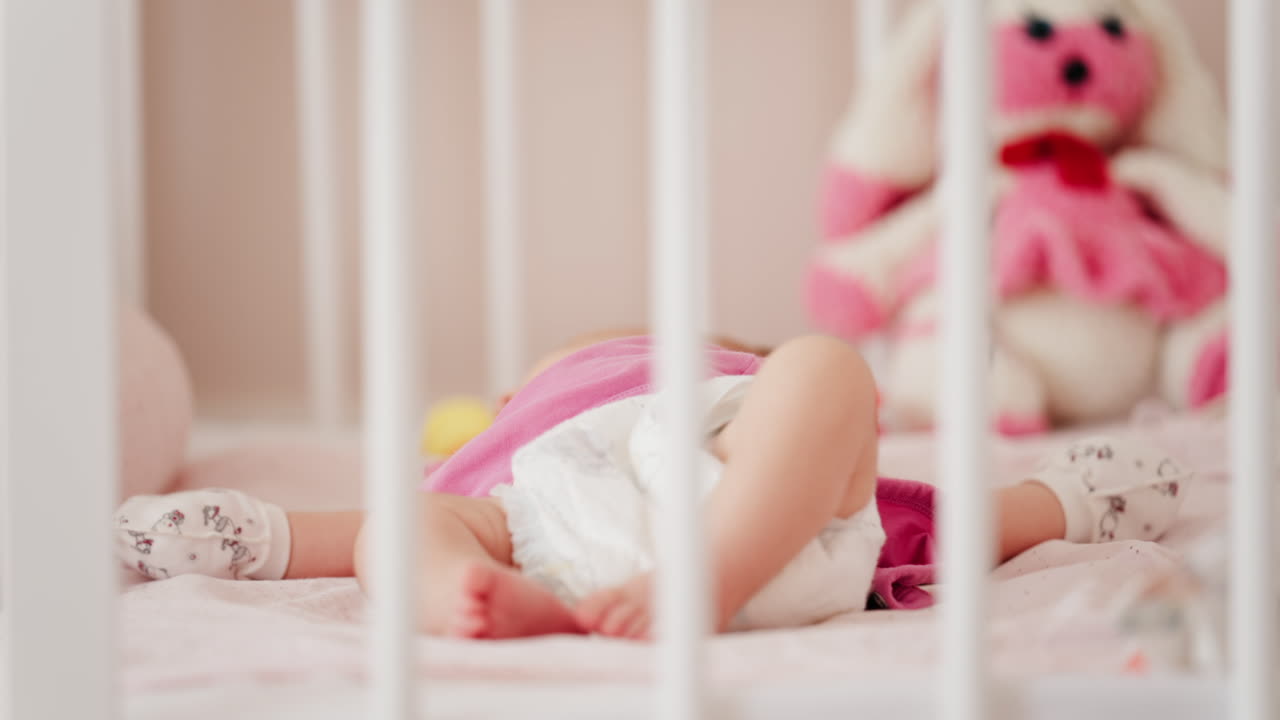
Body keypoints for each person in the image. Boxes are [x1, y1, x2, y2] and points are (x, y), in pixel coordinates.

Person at [115, 334, 1188, 640]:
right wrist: (245, 536)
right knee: (404, 519)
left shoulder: (730, 388)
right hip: (550, 536)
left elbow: (935, 517)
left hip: (748, 512)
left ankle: (705, 576)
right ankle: (464, 601)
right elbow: (353, 528)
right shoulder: (487, 465)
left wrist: (1069, 499)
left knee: (822, 368)